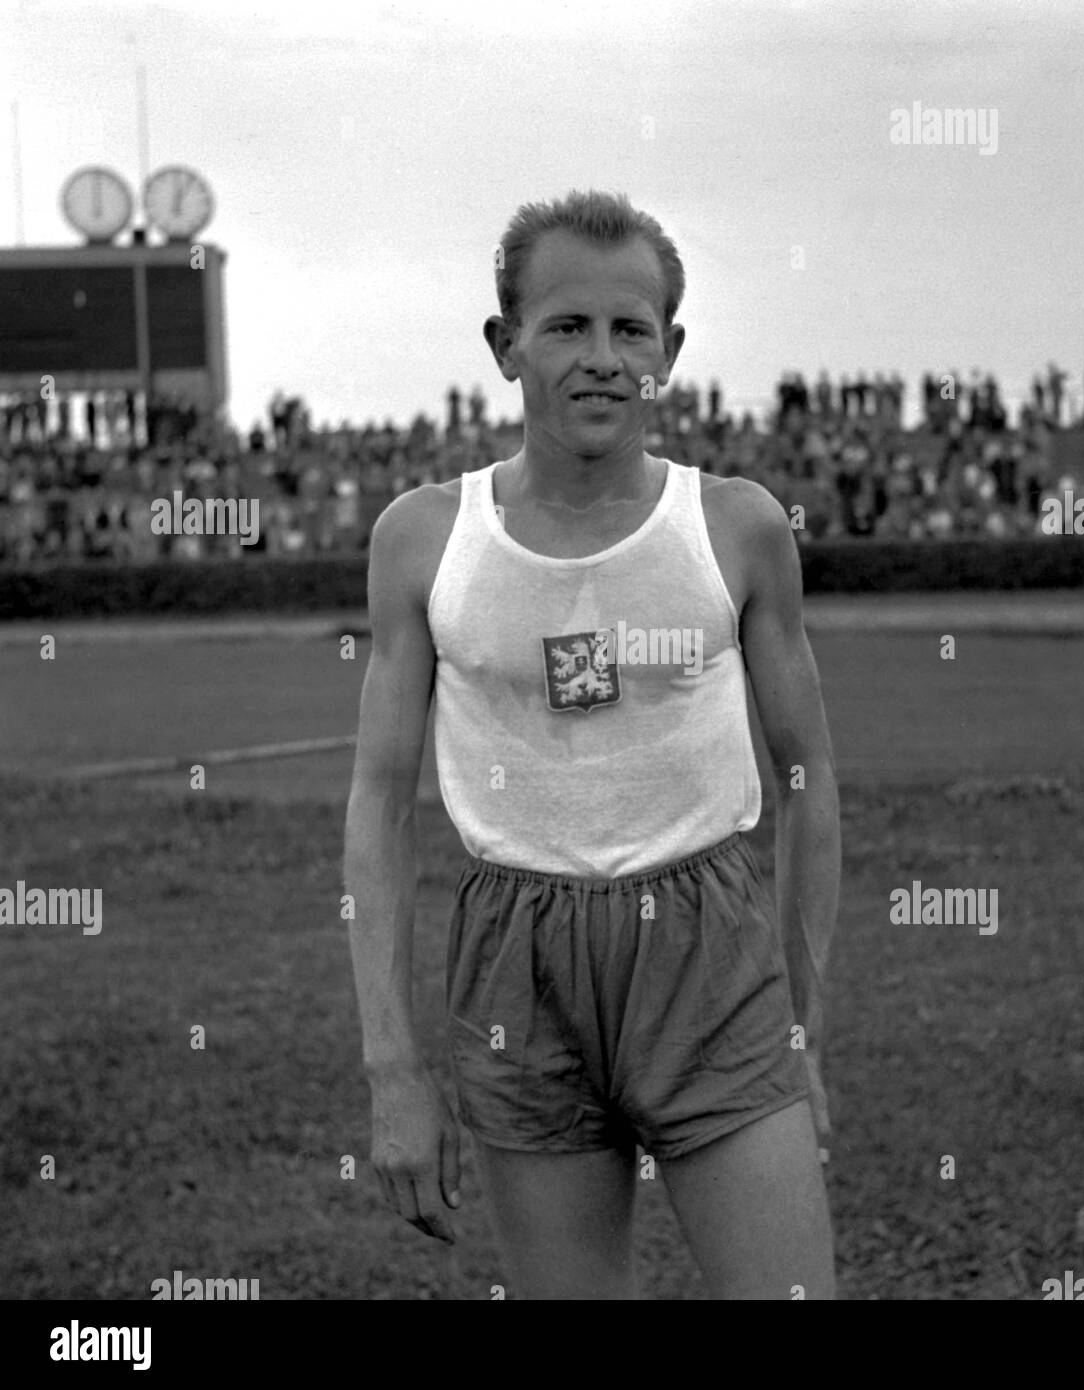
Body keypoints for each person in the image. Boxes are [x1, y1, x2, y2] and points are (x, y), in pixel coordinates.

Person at [344, 189, 839, 1300]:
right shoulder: (425, 539)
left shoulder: (737, 526)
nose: (603, 358)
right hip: (516, 957)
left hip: (708, 953)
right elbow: (378, 807)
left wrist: (802, 1030)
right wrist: (394, 1072)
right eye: (567, 327)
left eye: (632, 330)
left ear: (669, 349)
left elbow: (807, 780)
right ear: (505, 345)